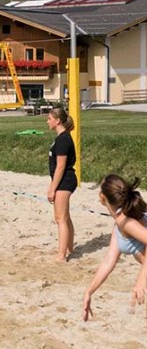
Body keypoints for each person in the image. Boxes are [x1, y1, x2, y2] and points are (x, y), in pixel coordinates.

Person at [83, 175, 147, 321]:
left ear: (102, 197)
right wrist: (89, 292)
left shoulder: (126, 222)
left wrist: (141, 280)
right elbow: (109, 261)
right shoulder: (120, 221)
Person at [46, 106, 76, 261]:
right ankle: (70, 249)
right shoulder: (61, 138)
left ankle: (61, 255)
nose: (47, 122)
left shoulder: (64, 139)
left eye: (49, 119)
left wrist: (52, 189)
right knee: (65, 217)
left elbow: (61, 166)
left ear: (58, 121)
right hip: (64, 180)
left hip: (65, 180)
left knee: (60, 218)